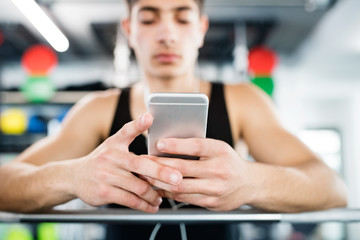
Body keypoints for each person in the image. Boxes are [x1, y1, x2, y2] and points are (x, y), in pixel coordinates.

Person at [0, 0, 347, 239]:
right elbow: (6, 184)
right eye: (149, 19)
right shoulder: (98, 109)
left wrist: (252, 181)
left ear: (200, 28)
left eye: (182, 19)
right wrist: (71, 176)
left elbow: (331, 188)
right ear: (129, 29)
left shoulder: (244, 102)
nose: (166, 34)